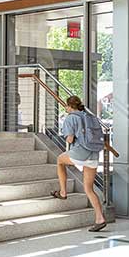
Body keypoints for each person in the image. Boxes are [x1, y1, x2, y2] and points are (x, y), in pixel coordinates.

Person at [52, 96, 108, 232]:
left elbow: (70, 140)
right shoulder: (89, 116)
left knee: (60, 160)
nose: (65, 108)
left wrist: (69, 137)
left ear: (70, 106)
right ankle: (100, 219)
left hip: (81, 152)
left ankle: (63, 192)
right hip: (94, 154)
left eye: (66, 106)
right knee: (89, 189)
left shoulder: (71, 118)